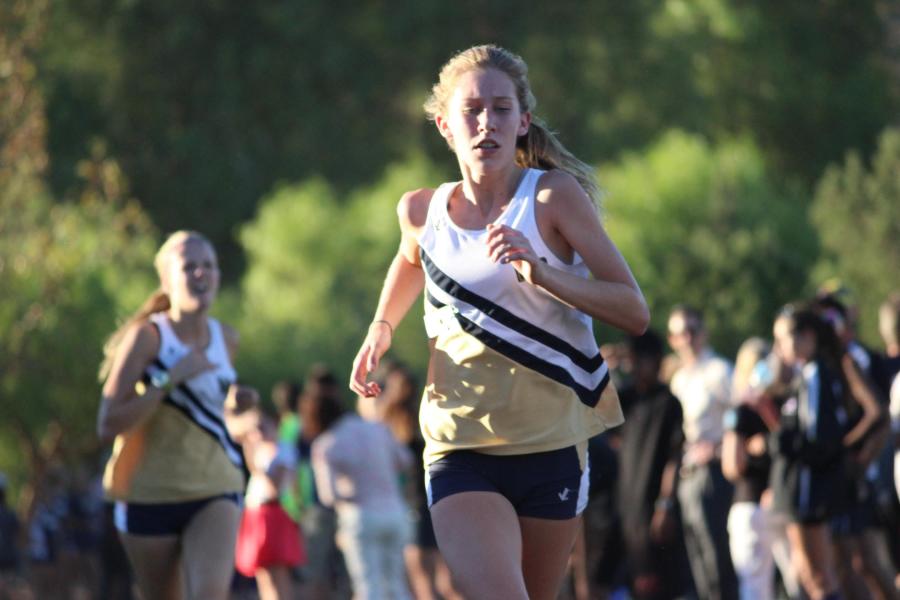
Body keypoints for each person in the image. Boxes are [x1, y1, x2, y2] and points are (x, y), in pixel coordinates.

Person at [349, 44, 649, 600]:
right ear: (444, 125)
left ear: (523, 121)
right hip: (460, 447)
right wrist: (380, 328)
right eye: (471, 110)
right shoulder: (420, 210)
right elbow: (410, 258)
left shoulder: (553, 198)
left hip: (552, 443)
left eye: (501, 108)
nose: (487, 121)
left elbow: (634, 311)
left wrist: (542, 275)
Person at [96, 230, 251, 600]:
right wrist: (168, 379)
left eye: (209, 266)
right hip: (148, 496)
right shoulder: (147, 339)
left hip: (215, 486)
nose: (201, 275)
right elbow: (107, 424)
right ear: (167, 281)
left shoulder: (226, 338)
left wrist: (238, 405)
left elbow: (214, 414)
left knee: (210, 593)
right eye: (190, 267)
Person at [768, 305, 882, 600]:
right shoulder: (805, 374)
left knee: (825, 572)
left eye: (783, 339)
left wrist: (782, 441)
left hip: (811, 487)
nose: (779, 348)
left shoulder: (817, 373)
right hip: (805, 484)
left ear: (806, 337)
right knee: (813, 572)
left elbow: (819, 438)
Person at [311, 390, 413, 600]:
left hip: (361, 518)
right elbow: (405, 460)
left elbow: (329, 496)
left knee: (368, 585)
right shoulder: (377, 429)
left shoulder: (326, 444)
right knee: (395, 584)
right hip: (395, 512)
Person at [667, 305, 738, 600]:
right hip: (687, 475)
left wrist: (721, 448)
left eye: (692, 331)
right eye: (680, 334)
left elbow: (741, 418)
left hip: (714, 474)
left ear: (703, 333)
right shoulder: (679, 379)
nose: (687, 339)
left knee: (717, 558)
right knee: (697, 561)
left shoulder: (719, 370)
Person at [721, 337, 797, 600]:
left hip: (754, 506)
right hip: (780, 503)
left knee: (756, 590)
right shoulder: (785, 406)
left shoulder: (745, 410)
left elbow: (732, 467)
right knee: (797, 582)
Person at [615, 330, 686, 600]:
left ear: (655, 360)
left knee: (659, 585)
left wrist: (665, 504)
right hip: (626, 507)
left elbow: (674, 456)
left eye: (637, 359)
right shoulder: (626, 399)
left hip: (653, 507)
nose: (631, 366)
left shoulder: (669, 403)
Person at [231, 395, 305, 600]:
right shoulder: (262, 452)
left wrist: (256, 463)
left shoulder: (282, 451)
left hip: (273, 515)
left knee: (278, 576)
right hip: (257, 514)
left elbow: (274, 488)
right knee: (263, 576)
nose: (258, 433)